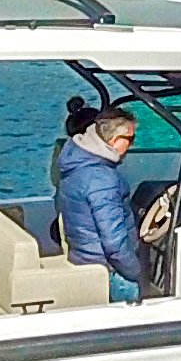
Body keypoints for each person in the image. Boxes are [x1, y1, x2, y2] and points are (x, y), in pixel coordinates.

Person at [54, 98, 148, 300]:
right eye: (130, 139)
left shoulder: (75, 164)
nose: (132, 145)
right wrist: (135, 272)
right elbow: (114, 243)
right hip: (110, 272)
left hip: (83, 261)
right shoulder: (102, 180)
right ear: (115, 140)